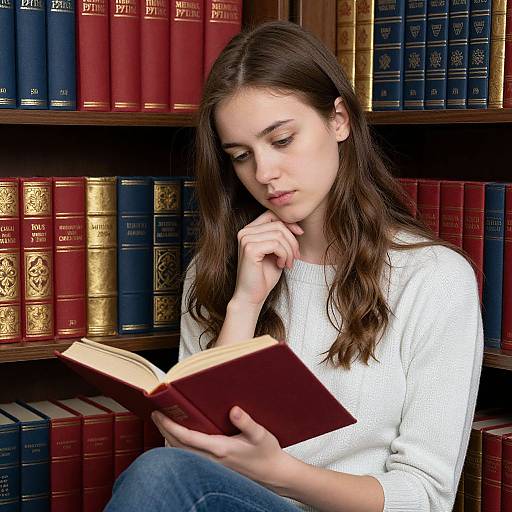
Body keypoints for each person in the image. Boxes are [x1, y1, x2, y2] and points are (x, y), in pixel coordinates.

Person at [105, 20, 483, 512]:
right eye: (241, 156)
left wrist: (280, 474)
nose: (263, 174)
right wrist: (244, 304)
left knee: (157, 476)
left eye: (281, 140)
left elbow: (425, 497)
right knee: (161, 473)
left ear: (339, 120)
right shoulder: (219, 271)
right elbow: (188, 455)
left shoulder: (433, 280)